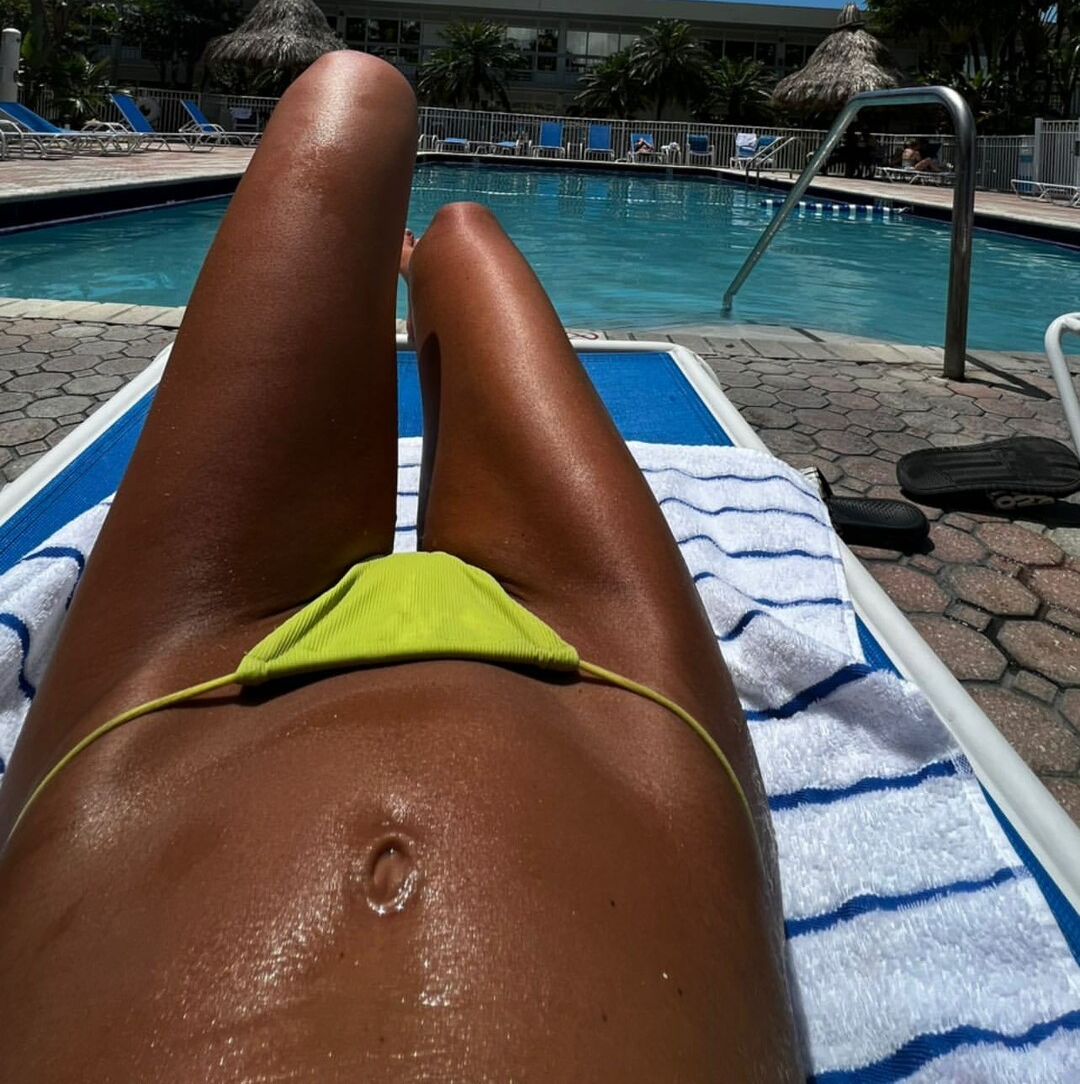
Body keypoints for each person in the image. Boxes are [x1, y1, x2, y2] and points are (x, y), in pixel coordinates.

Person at [0, 53, 800, 1082]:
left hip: (157, 723)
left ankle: (425, 271)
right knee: (445, 210)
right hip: (616, 710)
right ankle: (431, 265)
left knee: (353, 97)